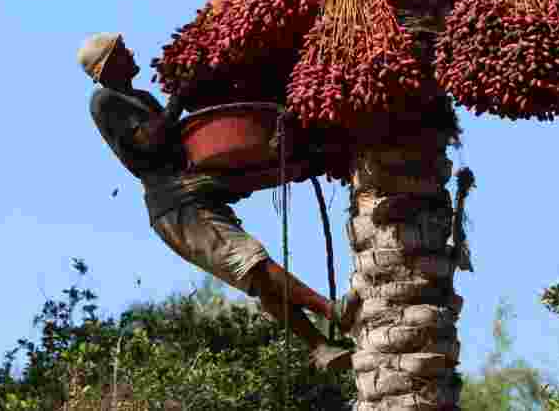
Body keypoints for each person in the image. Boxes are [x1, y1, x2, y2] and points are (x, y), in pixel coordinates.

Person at [78, 32, 360, 371]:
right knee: (253, 263)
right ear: (107, 65)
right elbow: (152, 143)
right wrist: (181, 96)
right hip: (179, 206)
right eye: (123, 51)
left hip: (190, 195)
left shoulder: (139, 97)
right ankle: (333, 312)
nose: (133, 52)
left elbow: (178, 149)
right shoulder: (105, 100)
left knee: (256, 279)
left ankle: (319, 347)